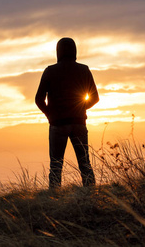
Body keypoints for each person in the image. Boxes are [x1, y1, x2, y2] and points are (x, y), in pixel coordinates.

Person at [35, 37, 99, 189]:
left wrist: (50, 115)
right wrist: (81, 108)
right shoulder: (84, 70)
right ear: (75, 51)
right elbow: (95, 98)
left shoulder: (50, 71)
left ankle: (54, 198)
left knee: (56, 165)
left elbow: (39, 99)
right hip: (79, 123)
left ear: (58, 51)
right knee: (85, 163)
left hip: (57, 124)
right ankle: (91, 194)